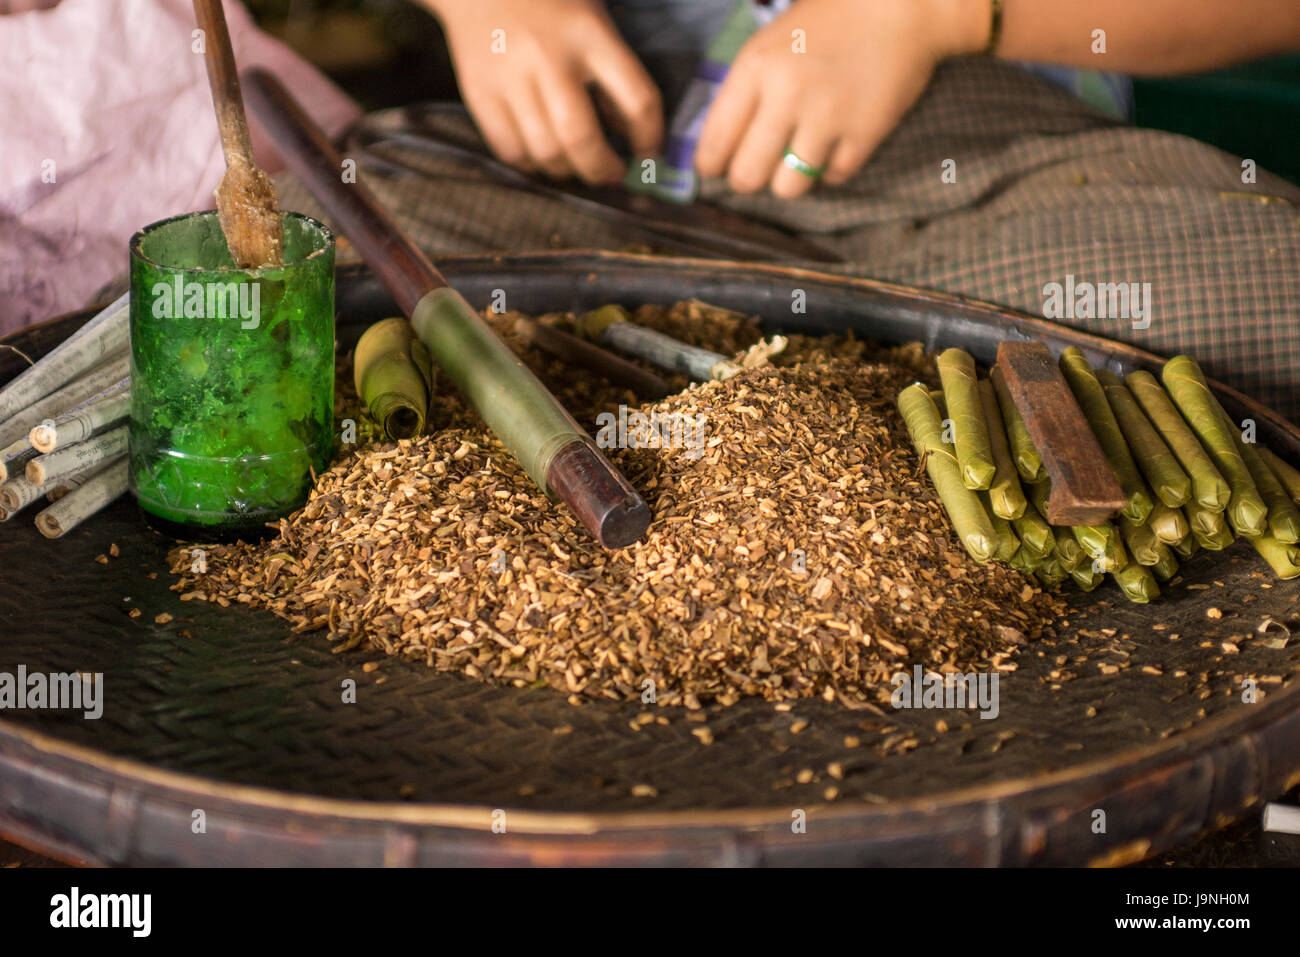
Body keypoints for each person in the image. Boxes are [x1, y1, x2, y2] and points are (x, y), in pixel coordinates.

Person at [378, 0, 1300, 422]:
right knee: (309, 234)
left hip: (974, 168)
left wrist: (933, 15)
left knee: (1275, 298)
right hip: (596, 157)